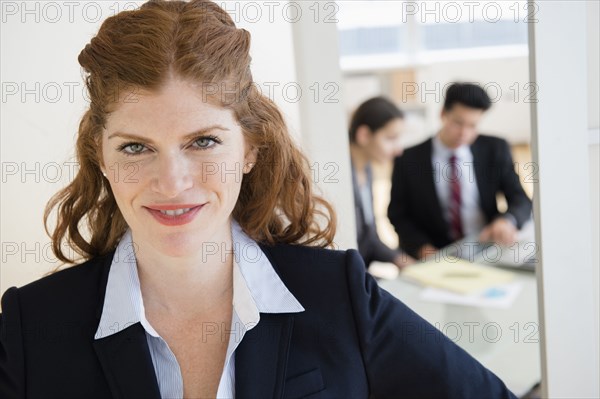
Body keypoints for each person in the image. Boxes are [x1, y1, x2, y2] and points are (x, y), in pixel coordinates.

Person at [0, 2, 517, 398]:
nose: (173, 182)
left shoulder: (340, 296)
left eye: (203, 141)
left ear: (249, 148)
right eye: (136, 147)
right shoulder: (32, 324)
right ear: (101, 157)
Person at [388, 82, 533, 260]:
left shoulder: (495, 148)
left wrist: (506, 220)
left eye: (473, 125)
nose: (464, 133)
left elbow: (520, 198)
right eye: (458, 123)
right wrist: (423, 250)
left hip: (487, 247)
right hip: (437, 253)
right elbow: (398, 215)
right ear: (443, 114)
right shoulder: (408, 159)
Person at [349, 97, 415, 270]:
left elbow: (369, 236)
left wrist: (400, 259)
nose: (398, 149)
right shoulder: (342, 175)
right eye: (390, 138)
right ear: (364, 135)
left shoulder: (366, 169)